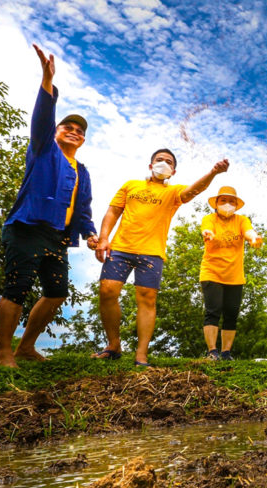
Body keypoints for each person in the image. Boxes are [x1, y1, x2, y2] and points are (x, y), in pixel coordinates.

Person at [0, 44, 97, 368]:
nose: (74, 132)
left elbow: (83, 211)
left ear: (83, 140)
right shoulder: (42, 148)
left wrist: (91, 234)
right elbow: (42, 118)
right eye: (69, 127)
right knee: (17, 288)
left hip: (57, 239)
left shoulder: (82, 171)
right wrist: (47, 81)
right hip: (26, 228)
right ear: (56, 131)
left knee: (56, 293)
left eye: (80, 132)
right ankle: (4, 352)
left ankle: (26, 347)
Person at [93, 150, 229, 366]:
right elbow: (113, 212)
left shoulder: (173, 192)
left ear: (173, 171)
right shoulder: (131, 185)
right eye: (159, 160)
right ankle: (113, 345)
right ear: (150, 165)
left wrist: (213, 172)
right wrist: (103, 238)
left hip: (152, 252)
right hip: (120, 248)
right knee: (107, 291)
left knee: (147, 298)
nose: (163, 164)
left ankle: (141, 354)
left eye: (169, 162)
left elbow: (195, 190)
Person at [199, 186, 263, 361]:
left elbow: (249, 231)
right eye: (223, 201)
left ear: (236, 205)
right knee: (213, 310)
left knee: (231, 313)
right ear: (216, 204)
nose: (227, 204)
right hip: (211, 271)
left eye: (231, 201)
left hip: (235, 274)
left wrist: (253, 238)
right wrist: (208, 233)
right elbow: (207, 229)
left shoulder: (241, 220)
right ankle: (212, 351)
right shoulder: (209, 218)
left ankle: (226, 353)